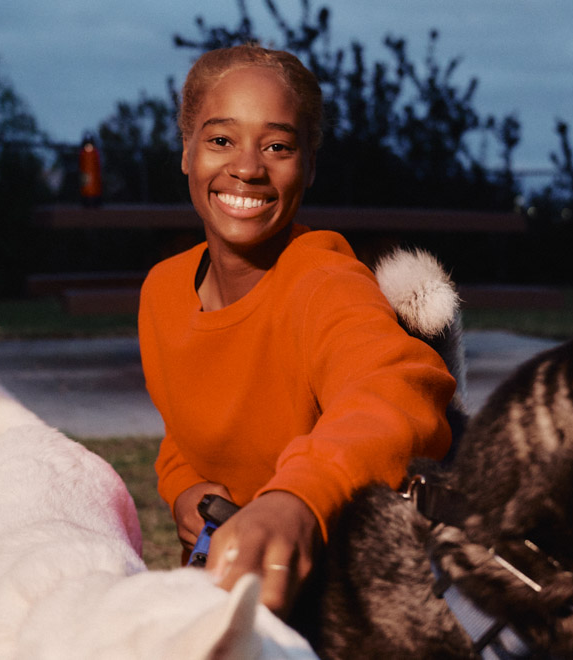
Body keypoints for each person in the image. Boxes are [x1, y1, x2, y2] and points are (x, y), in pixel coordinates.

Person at [137, 44, 456, 616]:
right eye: (220, 140)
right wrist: (183, 488)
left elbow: (394, 391)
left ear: (308, 165)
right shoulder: (162, 291)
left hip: (344, 594)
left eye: (278, 146)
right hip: (231, 585)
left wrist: (296, 499)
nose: (248, 166)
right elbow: (181, 433)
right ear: (186, 150)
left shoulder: (324, 280)